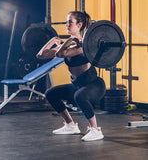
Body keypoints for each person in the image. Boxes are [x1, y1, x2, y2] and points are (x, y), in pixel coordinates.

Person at [36, 11, 106, 142]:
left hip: (94, 86)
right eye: (66, 21)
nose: (66, 24)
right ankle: (71, 125)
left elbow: (61, 54)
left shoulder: (84, 45)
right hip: (78, 85)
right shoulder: (68, 45)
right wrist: (53, 40)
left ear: (79, 25)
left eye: (70, 22)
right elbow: (40, 55)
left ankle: (96, 130)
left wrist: (67, 41)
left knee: (79, 96)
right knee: (51, 93)